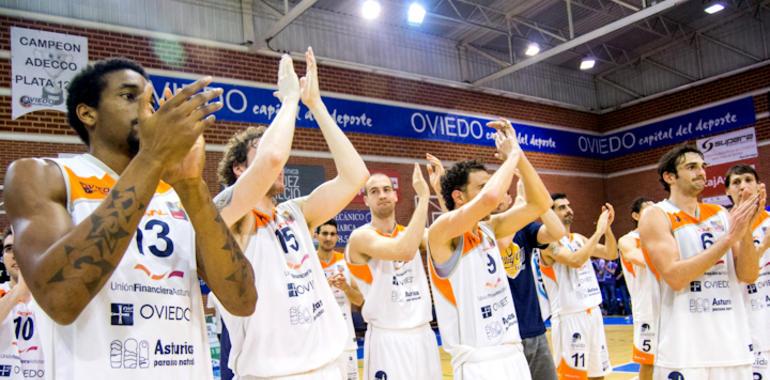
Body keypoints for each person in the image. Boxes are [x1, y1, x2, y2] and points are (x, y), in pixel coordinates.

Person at [3, 58, 256, 379]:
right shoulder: (43, 175)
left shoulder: (178, 192)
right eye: (128, 96)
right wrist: (153, 157)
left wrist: (193, 185)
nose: (147, 111)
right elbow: (60, 300)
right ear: (87, 113)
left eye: (150, 101)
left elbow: (243, 301)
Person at [214, 47, 370, 379]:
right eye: (262, 150)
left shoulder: (295, 212)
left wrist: (316, 104)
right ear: (241, 169)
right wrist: (289, 100)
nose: (282, 161)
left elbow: (356, 176)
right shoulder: (227, 217)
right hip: (274, 373)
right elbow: (271, 158)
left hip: (326, 365)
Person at [427, 120, 552, 379]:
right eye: (482, 185)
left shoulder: (491, 228)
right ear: (459, 197)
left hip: (512, 351)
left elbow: (541, 202)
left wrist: (520, 154)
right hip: (479, 364)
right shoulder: (441, 232)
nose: (495, 188)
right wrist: (512, 155)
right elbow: (491, 199)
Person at [638, 145, 763, 379]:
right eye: (691, 167)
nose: (702, 172)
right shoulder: (656, 215)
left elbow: (748, 275)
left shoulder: (721, 214)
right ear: (670, 177)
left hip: (731, 345)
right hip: (685, 350)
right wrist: (728, 240)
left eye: (703, 166)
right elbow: (675, 277)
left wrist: (745, 229)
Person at [345, 164, 441, 379]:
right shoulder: (360, 237)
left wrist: (440, 190)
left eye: (387, 189)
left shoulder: (413, 234)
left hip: (423, 334)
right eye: (374, 191)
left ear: (396, 196)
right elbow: (403, 250)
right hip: (387, 339)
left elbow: (450, 238)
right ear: (366, 200)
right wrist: (424, 197)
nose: (382, 195)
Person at [539, 193, 617, 379]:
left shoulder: (579, 239)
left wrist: (607, 230)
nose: (568, 210)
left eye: (568, 205)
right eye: (561, 207)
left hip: (593, 312)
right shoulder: (547, 243)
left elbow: (610, 253)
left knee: (598, 375)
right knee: (572, 377)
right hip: (569, 317)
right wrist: (597, 232)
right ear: (550, 214)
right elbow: (576, 260)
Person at [723, 164, 769, 379]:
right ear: (727, 191)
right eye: (736, 182)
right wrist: (763, 246)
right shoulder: (721, 226)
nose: (743, 186)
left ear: (760, 186)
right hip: (743, 323)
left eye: (748, 180)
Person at [315, 220, 364, 380]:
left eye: (332, 234)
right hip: (319, 342)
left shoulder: (346, 264)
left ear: (337, 237)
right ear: (316, 236)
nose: (328, 238)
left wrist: (346, 287)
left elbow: (359, 300)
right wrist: (324, 288)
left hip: (345, 341)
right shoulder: (310, 264)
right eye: (324, 233)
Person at [617, 197, 658, 380]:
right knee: (648, 362)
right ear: (636, 215)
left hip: (670, 305)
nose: (653, 212)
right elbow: (637, 258)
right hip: (647, 308)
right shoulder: (628, 239)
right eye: (647, 209)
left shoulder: (664, 236)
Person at [0, 227, 43, 379]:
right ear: (2, 257)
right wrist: (18, 292)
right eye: (9, 249)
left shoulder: (49, 295)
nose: (16, 255)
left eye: (23, 248)